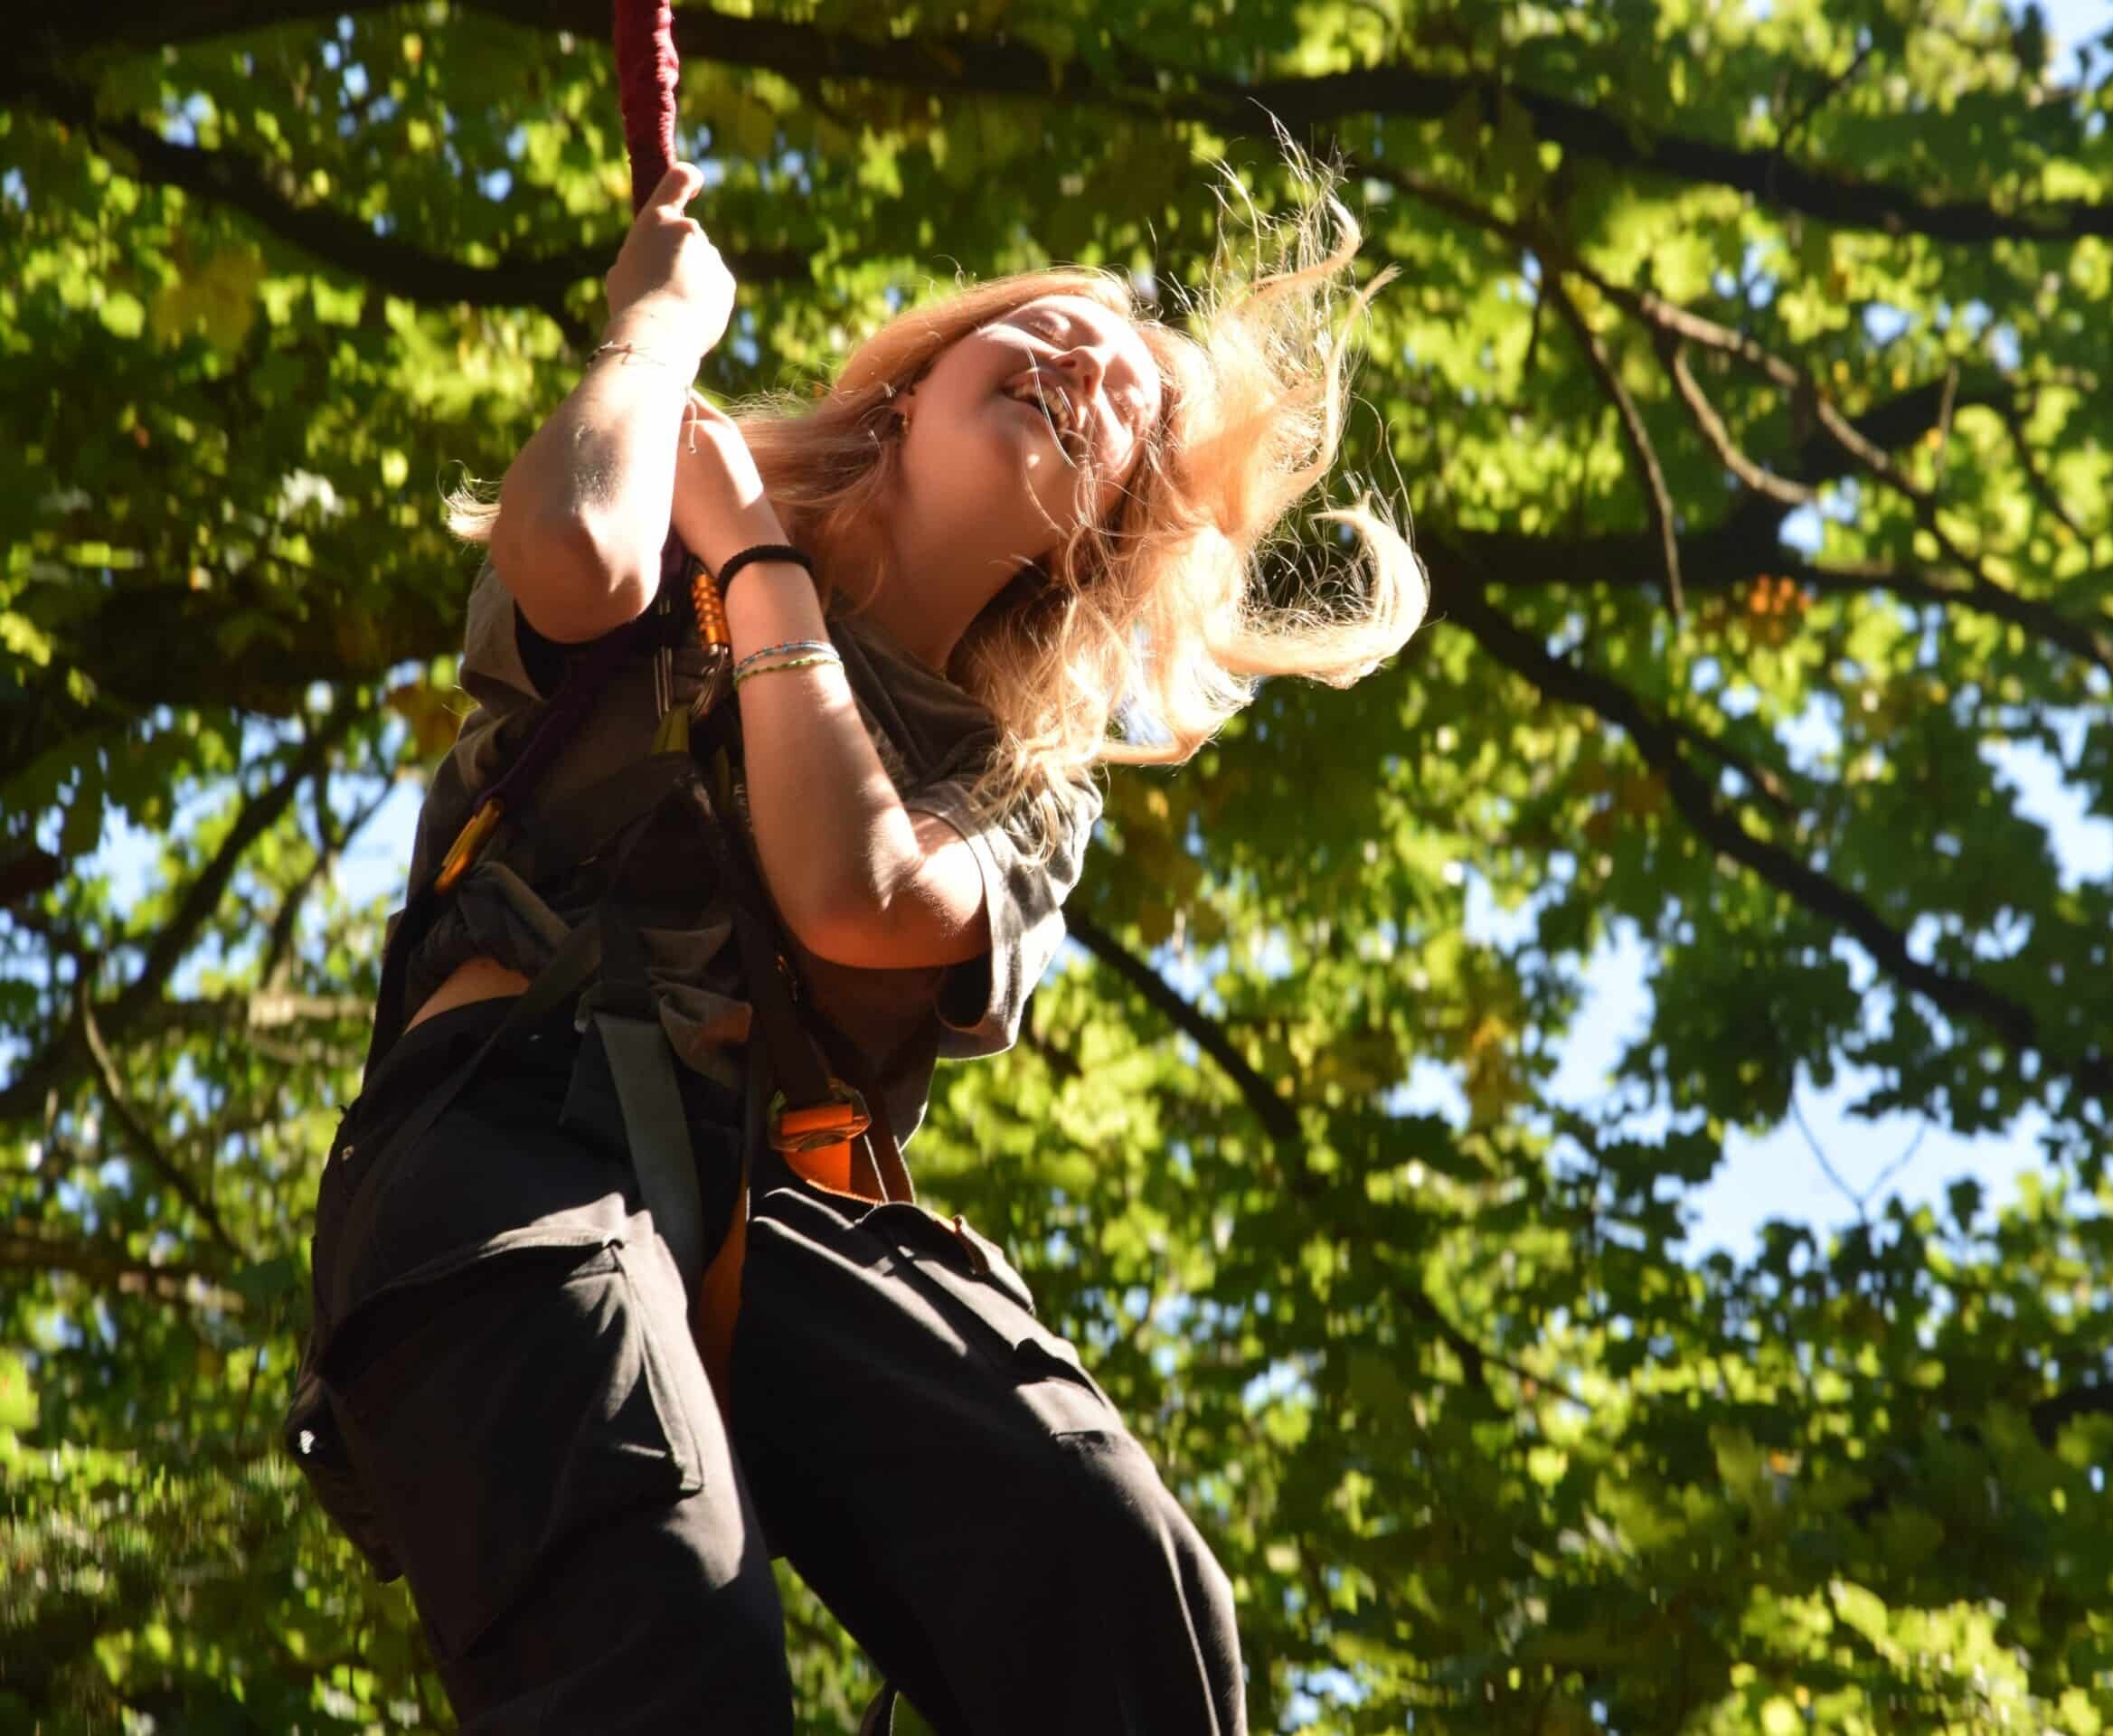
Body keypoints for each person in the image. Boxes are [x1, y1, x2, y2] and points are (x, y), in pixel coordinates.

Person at [294, 146, 1424, 1733]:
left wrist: (762, 573)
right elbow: (567, 562)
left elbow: (855, 894)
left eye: (1123, 400)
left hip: (766, 1222)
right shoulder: (658, 515)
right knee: (664, 1606)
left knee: (1106, 1554)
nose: (1084, 357)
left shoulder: (1018, 792)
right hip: (503, 1127)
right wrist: (657, 331)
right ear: (913, 383)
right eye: (1040, 326)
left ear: (1093, 540)